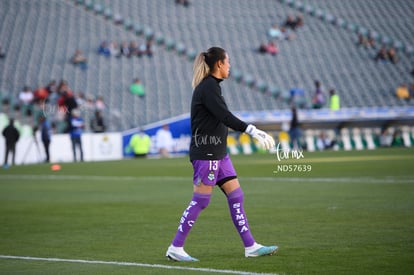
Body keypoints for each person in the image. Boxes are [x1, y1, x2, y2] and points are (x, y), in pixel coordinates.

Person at [165, 47, 277, 262]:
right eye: (228, 62)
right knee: (201, 200)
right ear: (219, 64)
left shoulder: (212, 87)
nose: (230, 66)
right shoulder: (208, 87)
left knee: (236, 195)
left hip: (218, 153)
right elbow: (224, 116)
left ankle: (250, 246)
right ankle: (175, 247)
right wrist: (251, 130)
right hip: (207, 152)